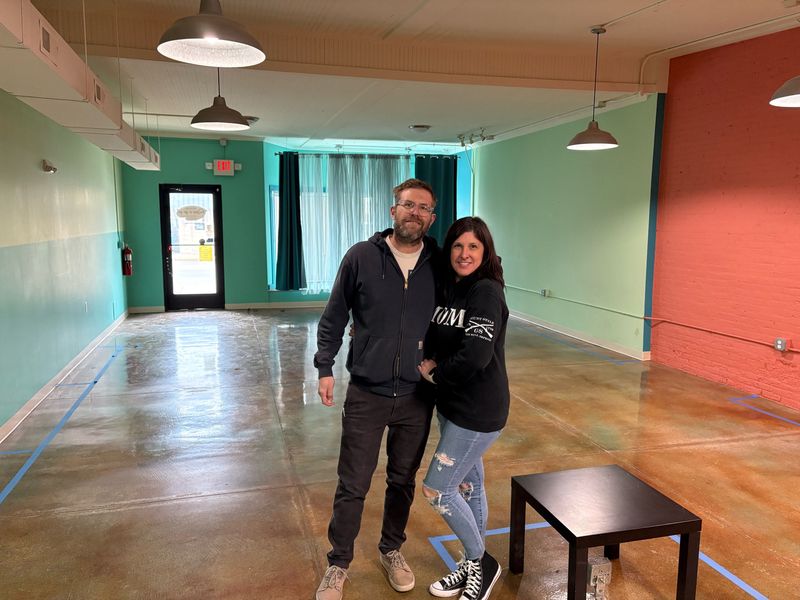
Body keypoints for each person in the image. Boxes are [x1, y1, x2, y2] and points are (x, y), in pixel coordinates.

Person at [314, 178, 439, 600]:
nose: (415, 213)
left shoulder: (438, 262)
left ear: (431, 217)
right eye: (408, 204)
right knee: (353, 483)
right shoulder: (362, 257)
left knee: (402, 481)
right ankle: (338, 564)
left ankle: (391, 549)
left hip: (417, 397)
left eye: (423, 207)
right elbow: (335, 314)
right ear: (393, 210)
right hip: (367, 393)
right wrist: (325, 366)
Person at [417, 217, 509, 600]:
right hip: (452, 406)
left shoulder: (485, 292)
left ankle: (481, 563)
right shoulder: (450, 287)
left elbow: (476, 355)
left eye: (473, 246)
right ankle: (474, 566)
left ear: (485, 252)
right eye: (458, 245)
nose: (464, 254)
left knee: (437, 489)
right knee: (469, 486)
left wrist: (437, 375)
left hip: (477, 410)